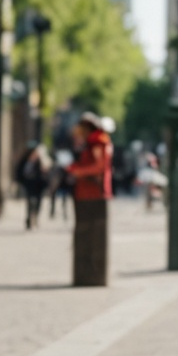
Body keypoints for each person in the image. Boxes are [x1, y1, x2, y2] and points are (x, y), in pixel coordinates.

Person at [67, 114, 114, 285]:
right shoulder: (92, 142)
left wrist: (78, 171)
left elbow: (99, 166)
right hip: (86, 193)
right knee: (85, 235)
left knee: (91, 236)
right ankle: (86, 276)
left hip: (93, 194)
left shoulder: (98, 141)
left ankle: (91, 276)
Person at [15, 144, 49, 229]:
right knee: (30, 202)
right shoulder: (24, 162)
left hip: (38, 186)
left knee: (37, 202)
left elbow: (45, 174)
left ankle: (35, 216)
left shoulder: (39, 162)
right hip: (28, 185)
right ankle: (29, 219)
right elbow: (19, 173)